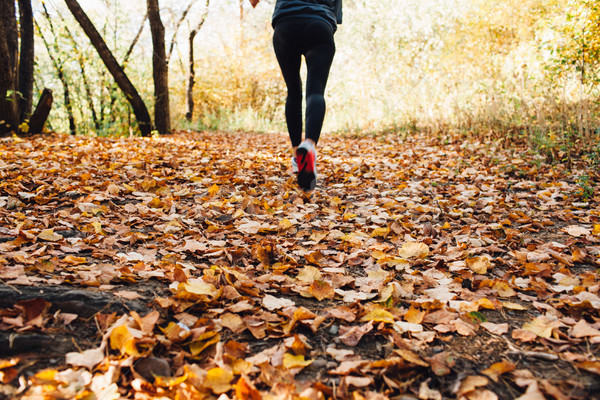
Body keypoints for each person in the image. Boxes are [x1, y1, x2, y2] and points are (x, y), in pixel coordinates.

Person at [250, 0, 342, 191]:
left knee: (293, 91)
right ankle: (309, 144)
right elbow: (336, 17)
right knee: (315, 90)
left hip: (287, 26)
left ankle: (296, 155)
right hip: (320, 25)